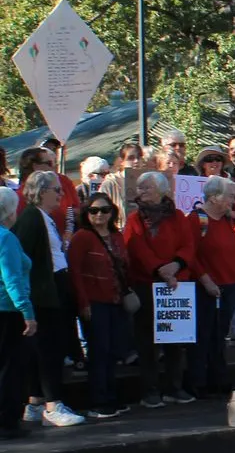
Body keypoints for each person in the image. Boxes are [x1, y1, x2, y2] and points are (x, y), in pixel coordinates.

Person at [14, 170, 85, 426]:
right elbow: (24, 259)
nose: (61, 194)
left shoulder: (44, 217)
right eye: (56, 189)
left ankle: (35, 402)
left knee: (44, 349)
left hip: (51, 290)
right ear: (42, 192)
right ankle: (53, 405)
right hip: (44, 294)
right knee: (50, 349)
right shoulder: (32, 218)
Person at [125, 170, 198, 408]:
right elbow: (135, 247)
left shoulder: (177, 216)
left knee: (175, 340)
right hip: (147, 284)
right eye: (140, 187)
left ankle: (174, 387)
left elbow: (188, 244)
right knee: (147, 341)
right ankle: (150, 390)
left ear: (161, 191)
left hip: (176, 284)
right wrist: (160, 270)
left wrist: (176, 265)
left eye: (147, 187)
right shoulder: (135, 218)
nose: (142, 191)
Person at [67, 192, 132, 418]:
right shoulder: (82, 237)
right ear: (87, 213)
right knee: (99, 351)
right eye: (94, 210)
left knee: (113, 350)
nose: (99, 215)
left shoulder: (116, 236)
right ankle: (99, 400)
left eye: (105, 210)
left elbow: (125, 266)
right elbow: (75, 273)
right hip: (94, 302)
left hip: (116, 300)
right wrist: (83, 303)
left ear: (112, 212)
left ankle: (111, 396)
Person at [187, 176, 235, 398]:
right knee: (203, 335)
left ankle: (217, 379)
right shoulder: (197, 220)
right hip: (207, 287)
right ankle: (198, 381)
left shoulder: (227, 220)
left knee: (219, 335)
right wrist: (206, 280)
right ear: (213, 197)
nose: (233, 200)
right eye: (229, 196)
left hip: (229, 284)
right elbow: (190, 254)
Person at [0, 188, 36, 440]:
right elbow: (12, 278)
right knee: (10, 368)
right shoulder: (6, 238)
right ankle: (6, 421)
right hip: (8, 311)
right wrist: (27, 311)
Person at [98, 142, 144, 227]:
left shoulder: (146, 182)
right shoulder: (110, 183)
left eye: (139, 157)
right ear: (122, 161)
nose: (136, 161)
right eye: (131, 158)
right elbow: (100, 210)